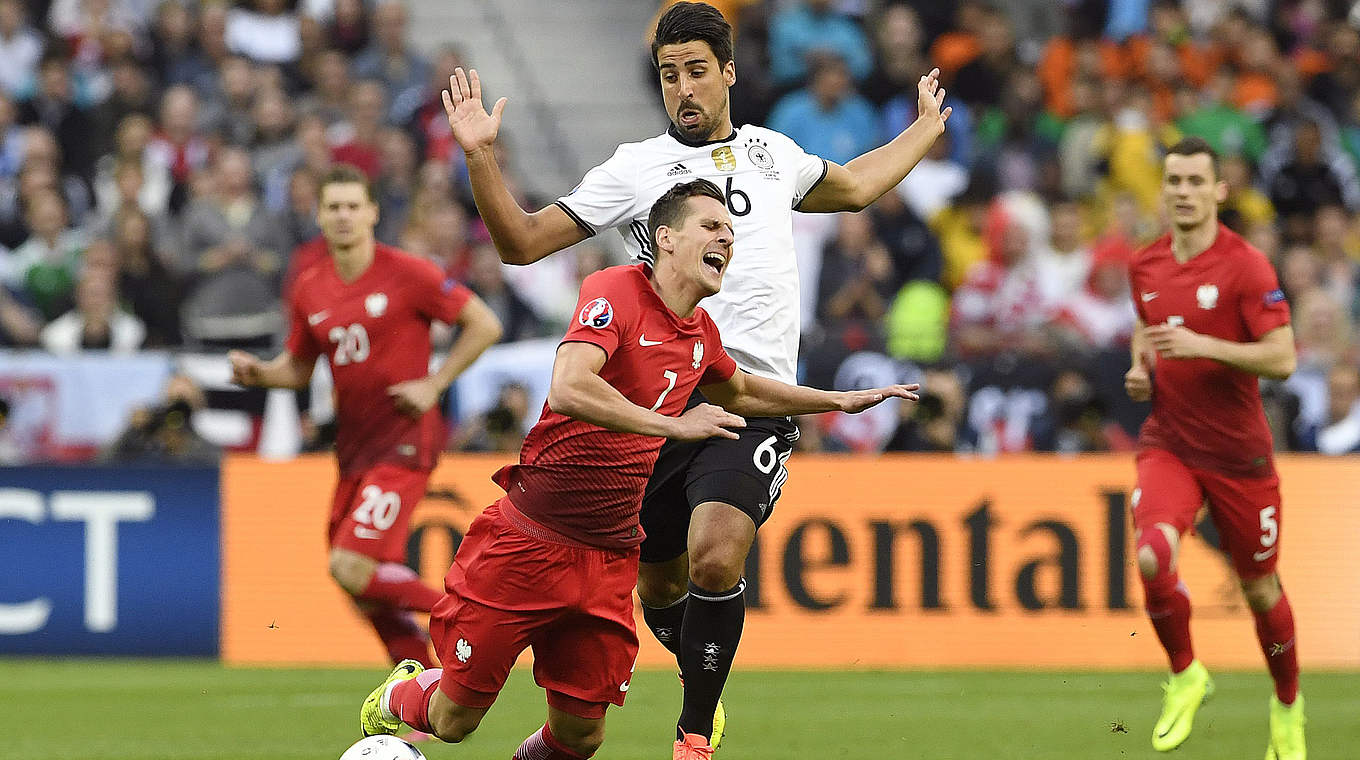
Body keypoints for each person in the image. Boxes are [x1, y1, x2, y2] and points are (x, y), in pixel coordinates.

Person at [438, 4, 950, 755]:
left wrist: (924, 131)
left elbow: (855, 185)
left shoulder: (774, 153)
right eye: (669, 74)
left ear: (729, 73)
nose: (683, 88)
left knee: (718, 552)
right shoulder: (636, 169)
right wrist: (482, 157)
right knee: (663, 590)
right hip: (659, 410)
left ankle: (694, 733)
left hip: (751, 403)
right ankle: (699, 676)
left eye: (697, 72)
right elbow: (520, 243)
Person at [358, 179, 918, 760]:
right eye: (711, 226)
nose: (726, 237)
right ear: (666, 239)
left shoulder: (699, 335)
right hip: (529, 542)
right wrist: (675, 425)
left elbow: (745, 391)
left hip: (607, 561)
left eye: (730, 231)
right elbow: (571, 386)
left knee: (581, 736)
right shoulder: (616, 290)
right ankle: (401, 695)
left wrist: (834, 400)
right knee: (454, 720)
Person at [228, 164, 502, 669]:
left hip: (405, 443)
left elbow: (484, 323)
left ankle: (465, 612)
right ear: (320, 216)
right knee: (360, 585)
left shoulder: (408, 272)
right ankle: (419, 684)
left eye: (354, 205)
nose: (344, 215)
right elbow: (297, 369)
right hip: (354, 451)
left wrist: (435, 384)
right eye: (334, 207)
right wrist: (259, 374)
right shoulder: (310, 287)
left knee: (351, 565)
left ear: (373, 212)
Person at [1124, 137, 1305, 758]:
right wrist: (1141, 367)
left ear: (1219, 192)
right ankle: (1185, 674)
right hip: (1169, 442)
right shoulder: (1144, 264)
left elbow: (1282, 357)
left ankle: (1287, 706)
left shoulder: (1247, 266)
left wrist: (1205, 347)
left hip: (1238, 456)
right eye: (1173, 181)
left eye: (1196, 182)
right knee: (1151, 557)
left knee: (1260, 589)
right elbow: (1145, 331)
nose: (1183, 192)